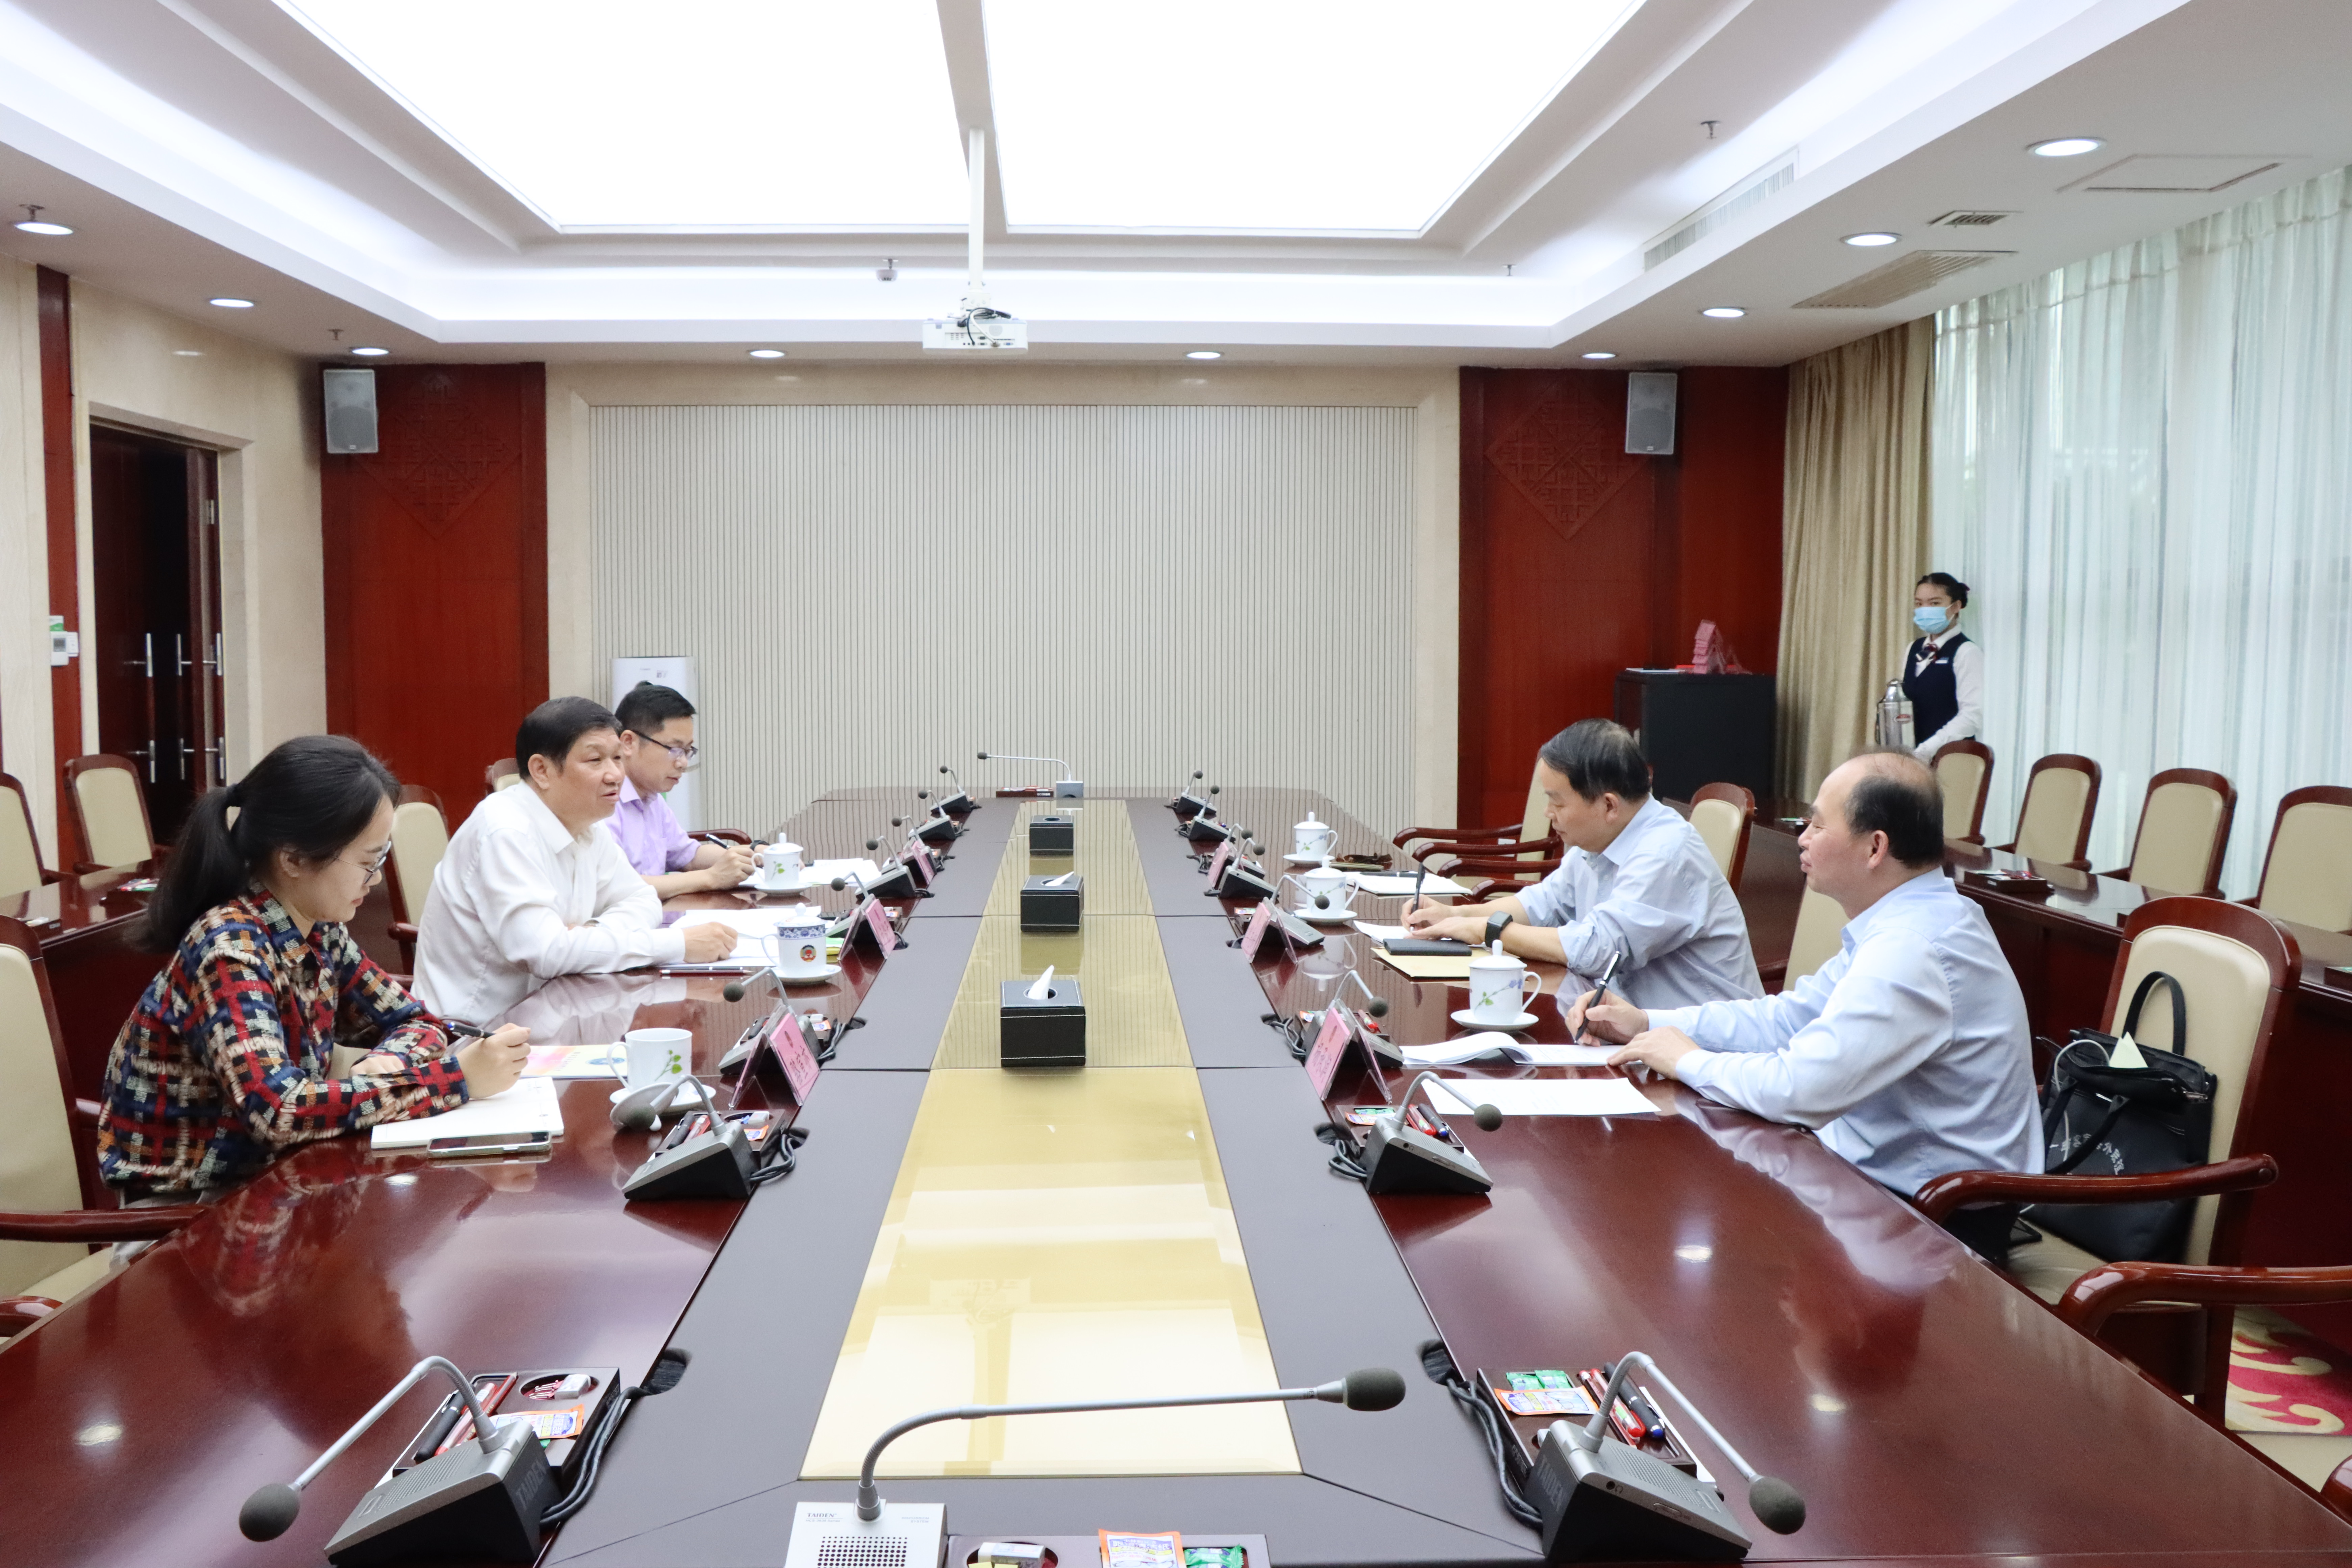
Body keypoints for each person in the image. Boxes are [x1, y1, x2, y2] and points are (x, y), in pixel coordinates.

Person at [1573, 751, 2040, 1259]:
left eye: (1818, 824)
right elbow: (1788, 1018)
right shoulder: (1906, 921)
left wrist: (1687, 1060)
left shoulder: (1914, 948)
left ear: (1875, 847)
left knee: (1692, 1228)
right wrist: (1646, 1022)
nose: (1803, 837)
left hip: (1933, 1224)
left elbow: (1800, 1088)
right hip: (1873, 1186)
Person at [95, 736, 532, 1199]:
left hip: (277, 1182)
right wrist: (456, 1079)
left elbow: (418, 1021)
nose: (376, 880)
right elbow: (278, 1111)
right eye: (368, 861)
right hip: (191, 1210)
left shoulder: (319, 929)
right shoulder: (231, 950)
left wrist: (388, 1063)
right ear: (294, 859)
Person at [412, 697, 740, 1021]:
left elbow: (642, 900)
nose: (615, 775)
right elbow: (546, 953)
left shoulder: (587, 823)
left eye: (617, 758)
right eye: (595, 760)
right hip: (475, 1031)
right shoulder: (505, 831)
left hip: (559, 1010)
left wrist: (593, 932)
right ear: (542, 770)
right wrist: (677, 944)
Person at [1401, 719, 1761, 1010]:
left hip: (1706, 1051)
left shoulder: (1664, 853)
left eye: (1558, 802)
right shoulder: (1601, 838)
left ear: (1609, 805)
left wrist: (1487, 931)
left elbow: (1597, 951)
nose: (1548, 813)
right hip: (1635, 1029)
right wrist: (1456, 916)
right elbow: (1544, 904)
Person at [610, 681, 757, 897]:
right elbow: (618, 886)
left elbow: (689, 856)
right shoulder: (604, 801)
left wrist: (756, 855)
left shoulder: (652, 798)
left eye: (688, 751)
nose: (683, 763)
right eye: (675, 749)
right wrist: (711, 878)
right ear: (628, 743)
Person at [1903, 571, 1981, 762]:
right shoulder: (1913, 649)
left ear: (1956, 606)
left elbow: (1972, 716)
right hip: (1914, 757)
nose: (1925, 610)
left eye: (1935, 603)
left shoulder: (1967, 652)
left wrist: (1927, 749)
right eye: (1919, 604)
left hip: (1952, 759)